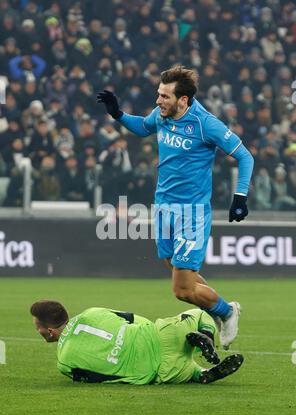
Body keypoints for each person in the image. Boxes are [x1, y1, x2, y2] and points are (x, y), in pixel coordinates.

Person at [96, 65, 254, 350]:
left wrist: (240, 196)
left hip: (191, 213)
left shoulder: (206, 124)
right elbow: (143, 127)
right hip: (163, 208)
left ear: (183, 100)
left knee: (181, 290)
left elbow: (245, 156)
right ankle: (216, 310)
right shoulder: (162, 115)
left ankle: (228, 312)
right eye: (159, 94)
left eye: (165, 96)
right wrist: (117, 114)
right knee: (180, 274)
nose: (158, 101)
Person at [31, 300, 244, 385]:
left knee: (186, 372)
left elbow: (102, 378)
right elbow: (133, 318)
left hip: (157, 370)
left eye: (37, 327)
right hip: (160, 334)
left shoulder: (64, 362)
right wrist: (149, 332)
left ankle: (200, 374)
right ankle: (205, 336)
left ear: (49, 331)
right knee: (198, 313)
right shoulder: (92, 312)